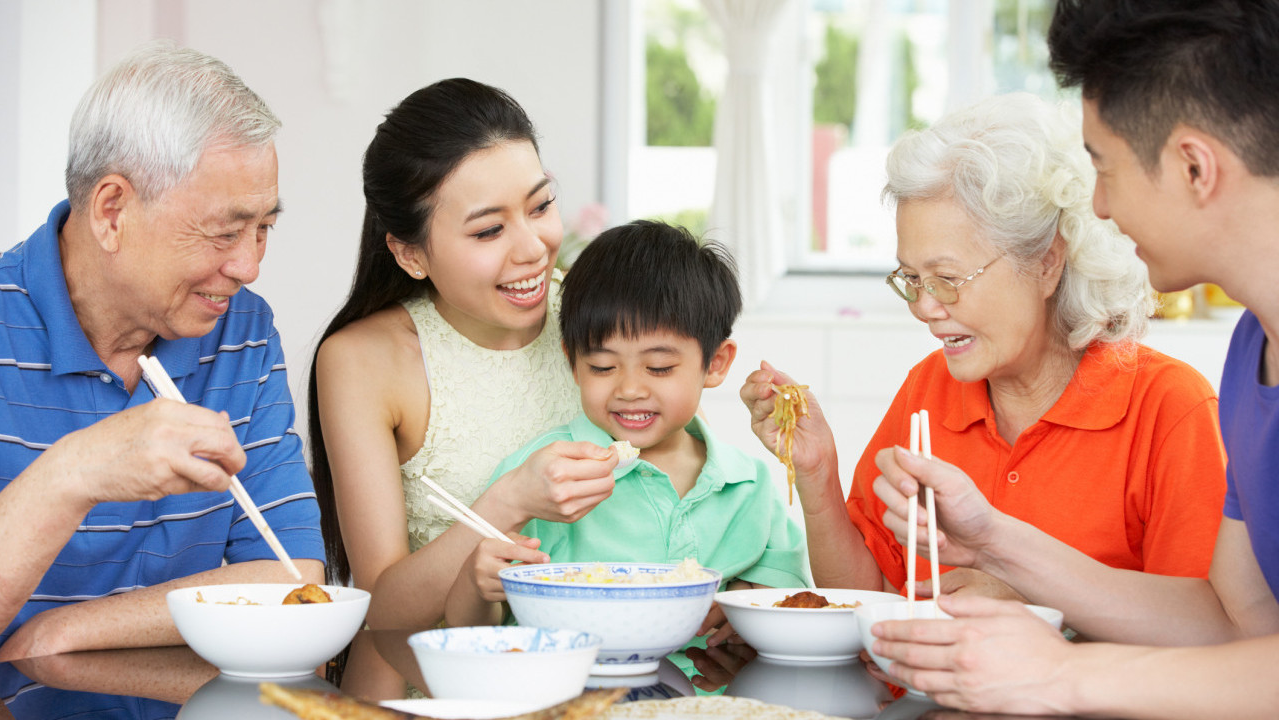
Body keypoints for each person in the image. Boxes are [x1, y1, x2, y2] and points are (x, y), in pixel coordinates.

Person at [863, 2, 1279, 717]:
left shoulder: (1182, 398)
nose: (1101, 209)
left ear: (1192, 166)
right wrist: (993, 540)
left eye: (1104, 167)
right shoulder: (1252, 353)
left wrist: (1062, 674)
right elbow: (1235, 629)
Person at [740, 92, 1226, 601]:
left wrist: (1034, 611)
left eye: (948, 278)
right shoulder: (930, 388)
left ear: (1046, 263)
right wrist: (817, 474)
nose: (925, 307)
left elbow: (1202, 646)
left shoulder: (1168, 410)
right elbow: (867, 597)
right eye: (911, 278)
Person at [0, 41, 325, 661]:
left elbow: (291, 575)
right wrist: (75, 472)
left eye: (264, 229)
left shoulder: (238, 329)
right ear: (113, 211)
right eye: (226, 232)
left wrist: (65, 633)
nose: (249, 265)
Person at [309, 78, 617, 638]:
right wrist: (509, 501)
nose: (531, 249)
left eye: (541, 205)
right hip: (439, 680)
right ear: (410, 253)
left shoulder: (597, 315)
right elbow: (380, 609)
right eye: (489, 230)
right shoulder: (363, 361)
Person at [444, 220, 808, 643]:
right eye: (602, 367)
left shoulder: (749, 486)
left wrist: (745, 613)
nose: (630, 389)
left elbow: (789, 604)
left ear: (715, 364)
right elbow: (467, 628)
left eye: (659, 368)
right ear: (573, 362)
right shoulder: (542, 478)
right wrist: (476, 584)